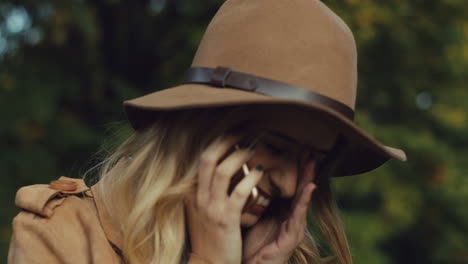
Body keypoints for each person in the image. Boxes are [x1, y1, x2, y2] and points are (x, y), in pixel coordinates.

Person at [8, 0, 406, 263]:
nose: (287, 185)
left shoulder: (285, 256)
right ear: (201, 126)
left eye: (311, 160)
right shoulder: (58, 238)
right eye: (275, 146)